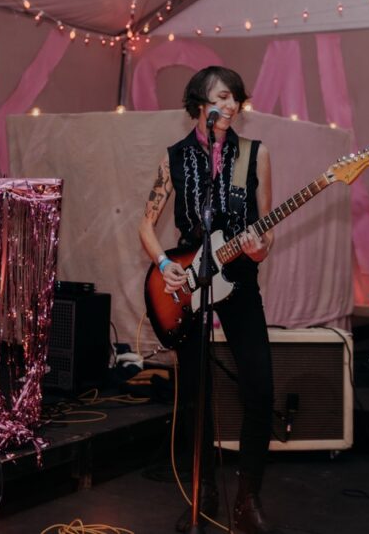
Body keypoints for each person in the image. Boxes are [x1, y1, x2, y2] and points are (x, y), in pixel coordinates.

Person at [138, 66, 279, 534]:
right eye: (224, 96)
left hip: (239, 278)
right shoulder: (174, 158)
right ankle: (204, 491)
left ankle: (248, 498)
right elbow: (146, 223)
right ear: (201, 101)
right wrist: (163, 264)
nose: (233, 104)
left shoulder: (255, 155)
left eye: (238, 97)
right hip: (187, 282)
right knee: (195, 396)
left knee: (259, 386)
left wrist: (262, 244)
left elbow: (266, 230)